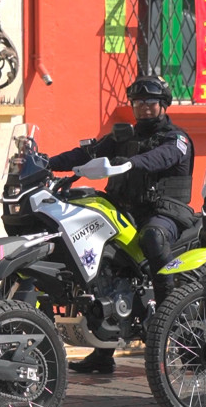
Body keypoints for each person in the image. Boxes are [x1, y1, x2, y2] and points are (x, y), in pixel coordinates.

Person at [48, 75, 195, 374]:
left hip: (165, 213)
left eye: (150, 102)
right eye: (138, 102)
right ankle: (103, 352)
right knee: (101, 264)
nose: (143, 108)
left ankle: (167, 313)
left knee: (153, 237)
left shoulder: (174, 138)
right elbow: (86, 153)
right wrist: (46, 161)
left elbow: (160, 158)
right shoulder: (120, 137)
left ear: (163, 105)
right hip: (124, 212)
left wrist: (130, 162)